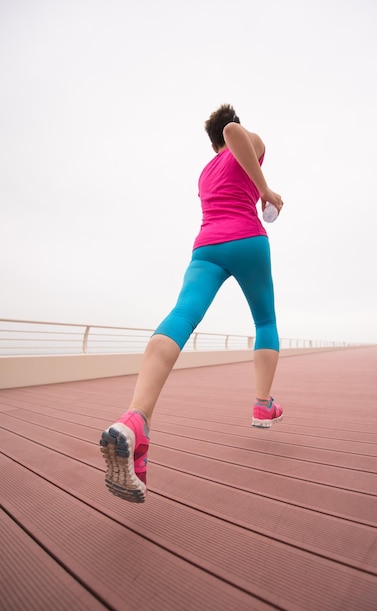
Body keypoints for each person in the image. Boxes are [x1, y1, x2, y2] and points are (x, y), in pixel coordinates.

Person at [100, 104, 284, 503]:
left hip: (206, 248)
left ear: (208, 141)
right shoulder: (245, 141)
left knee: (181, 315)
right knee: (265, 321)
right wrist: (266, 192)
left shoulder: (205, 172)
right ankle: (262, 406)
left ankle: (135, 420)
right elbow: (237, 133)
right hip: (247, 240)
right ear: (227, 132)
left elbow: (228, 139)